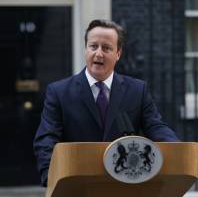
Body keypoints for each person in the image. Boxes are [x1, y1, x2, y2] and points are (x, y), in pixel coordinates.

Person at [33, 19, 179, 187]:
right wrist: (50, 176)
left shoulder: (138, 90)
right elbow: (46, 138)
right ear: (85, 49)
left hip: (125, 187)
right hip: (77, 187)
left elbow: (156, 127)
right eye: (93, 46)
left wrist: (179, 151)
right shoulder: (58, 92)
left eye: (106, 48)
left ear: (118, 53)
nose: (99, 54)